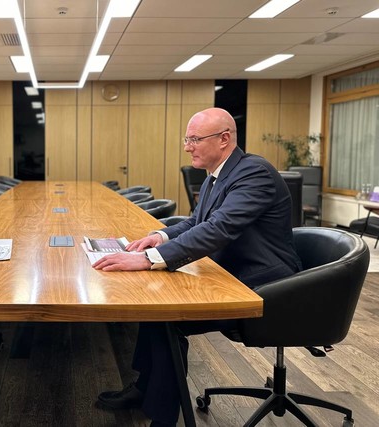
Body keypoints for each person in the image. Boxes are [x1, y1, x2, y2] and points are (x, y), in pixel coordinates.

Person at [93, 108, 302, 427]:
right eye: (186, 139)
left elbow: (219, 228)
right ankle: (144, 388)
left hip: (264, 286)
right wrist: (159, 236)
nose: (187, 146)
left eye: (194, 139)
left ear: (224, 139)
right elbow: (197, 222)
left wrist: (147, 259)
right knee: (155, 307)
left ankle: (163, 419)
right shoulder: (216, 176)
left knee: (169, 317)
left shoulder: (253, 172)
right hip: (230, 274)